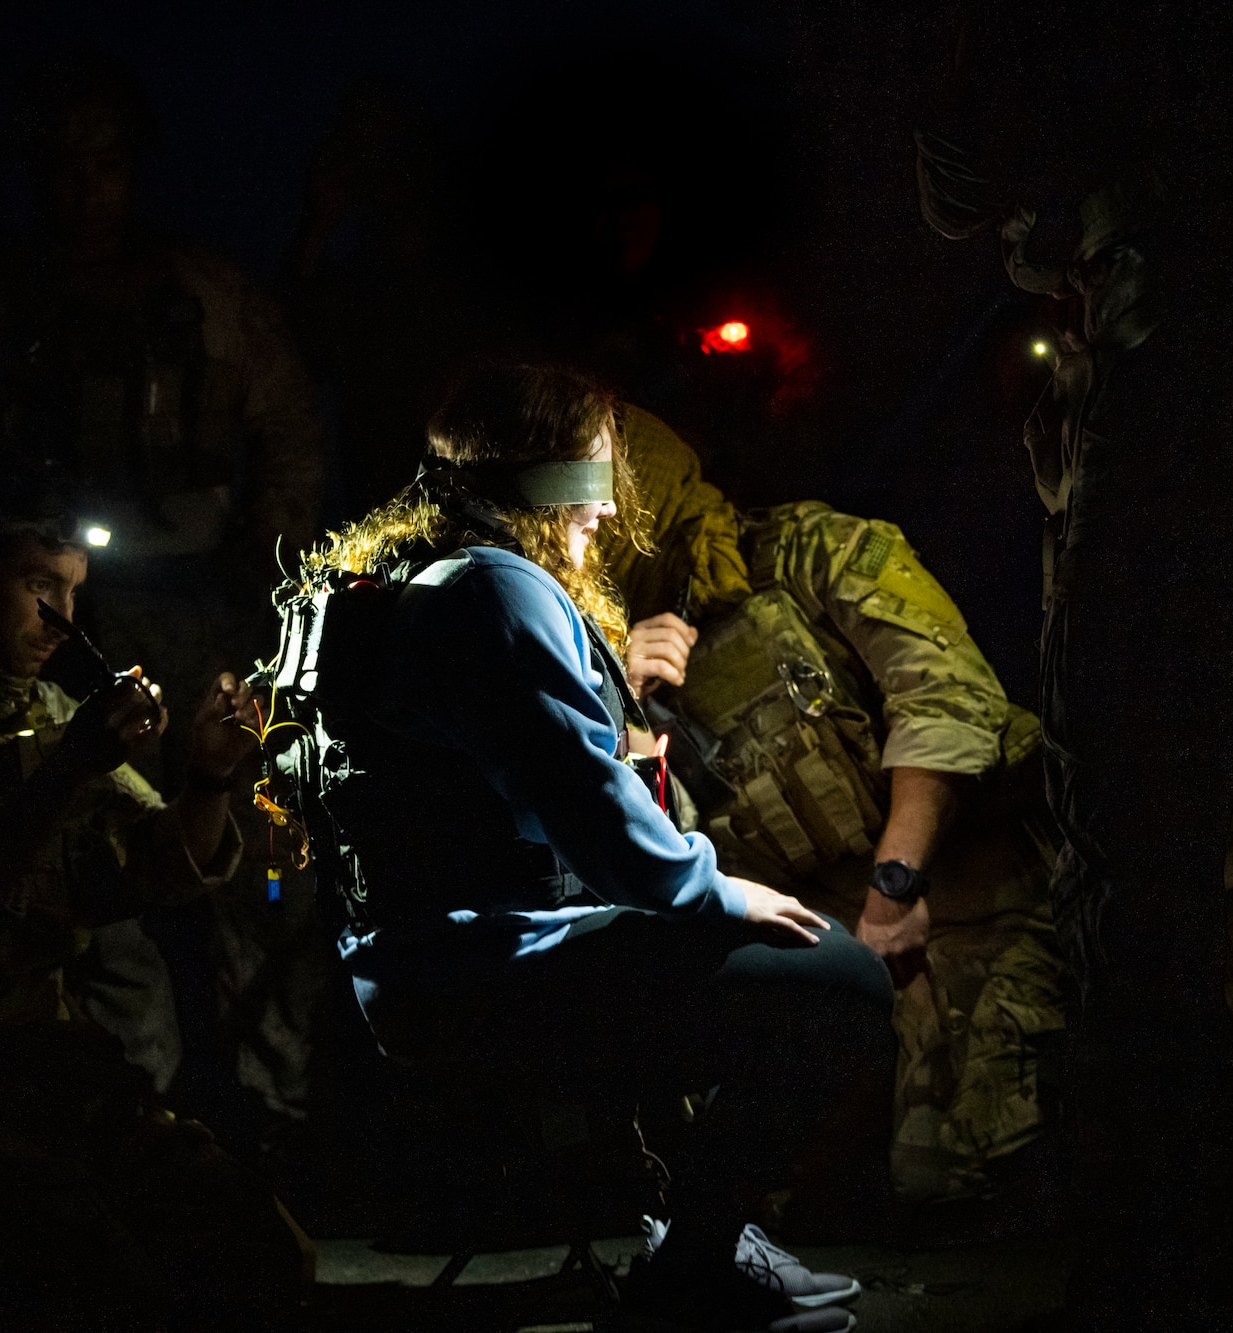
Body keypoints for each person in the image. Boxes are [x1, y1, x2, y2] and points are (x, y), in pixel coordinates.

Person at [277, 364, 883, 1332]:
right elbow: (595, 819)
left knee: (712, 955)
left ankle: (702, 1243)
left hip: (416, 973)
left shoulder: (409, 573)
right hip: (480, 975)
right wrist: (715, 890)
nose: (608, 507)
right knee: (843, 979)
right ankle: (692, 1272)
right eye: (597, 473)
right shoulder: (495, 588)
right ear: (544, 475)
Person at [0, 50, 329, 1156]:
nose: (81, 186)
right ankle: (114, 1121)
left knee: (255, 852)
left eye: (104, 161)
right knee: (91, 906)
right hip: (43, 634)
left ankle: (282, 1120)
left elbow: (291, 428)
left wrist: (264, 565)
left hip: (200, 611)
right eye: (60, 162)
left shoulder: (206, 294)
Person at [0, 466, 308, 1327]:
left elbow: (160, 862)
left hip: (43, 1054)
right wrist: (68, 765)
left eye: (72, 591)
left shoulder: (57, 707)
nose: (62, 617)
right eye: (38, 585)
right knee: (101, 1282)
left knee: (262, 1251)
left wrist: (210, 773)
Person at [598, 407, 1064, 1218]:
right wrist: (624, 708)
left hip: (972, 898)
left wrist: (893, 887)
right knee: (782, 1192)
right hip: (825, 940)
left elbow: (947, 699)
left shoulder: (820, 552)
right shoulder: (602, 651)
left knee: (943, 1181)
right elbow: (637, 850)